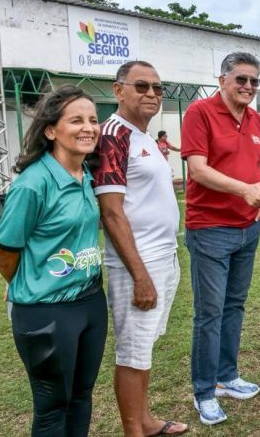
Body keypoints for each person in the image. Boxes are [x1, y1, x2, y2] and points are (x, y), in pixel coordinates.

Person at [0, 85, 107, 436]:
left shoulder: (85, 174)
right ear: (51, 130)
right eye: (76, 120)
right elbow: (3, 250)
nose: (88, 127)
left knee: (82, 396)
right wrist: (22, 285)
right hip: (46, 310)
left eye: (92, 119)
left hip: (89, 303)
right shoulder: (33, 184)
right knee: (52, 406)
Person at [92, 61, 188, 436]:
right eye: (142, 86)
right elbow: (112, 213)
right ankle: (134, 429)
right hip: (137, 264)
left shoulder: (144, 136)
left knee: (144, 345)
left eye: (157, 88)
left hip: (162, 256)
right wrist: (140, 275)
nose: (152, 94)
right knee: (132, 352)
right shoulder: (112, 134)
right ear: (119, 91)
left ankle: (145, 421)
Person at [181, 52, 260, 426]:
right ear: (222, 80)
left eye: (254, 81)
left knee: (234, 306)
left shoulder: (255, 118)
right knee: (209, 313)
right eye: (241, 80)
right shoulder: (199, 112)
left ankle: (227, 376)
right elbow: (198, 170)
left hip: (248, 227)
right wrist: (244, 191)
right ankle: (204, 391)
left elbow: (255, 167)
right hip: (210, 229)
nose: (248, 87)